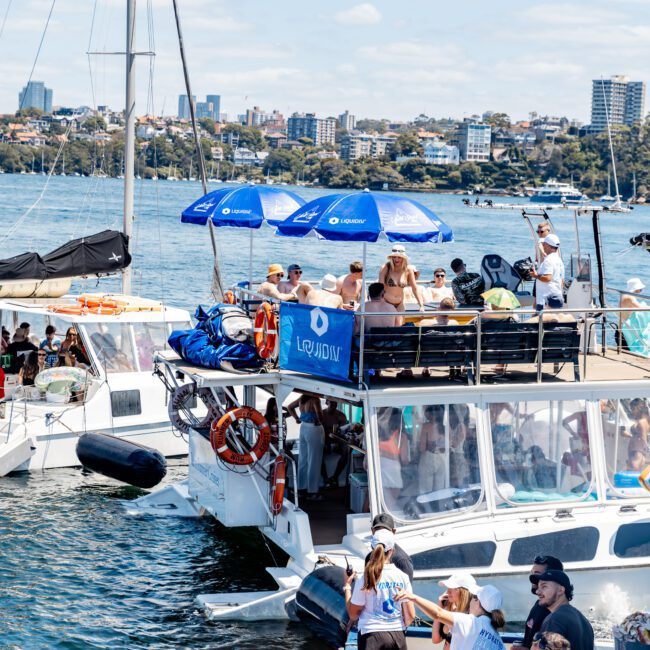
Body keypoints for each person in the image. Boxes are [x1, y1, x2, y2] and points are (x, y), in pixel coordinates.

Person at [344, 528, 415, 650]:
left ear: (372, 549)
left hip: (371, 637)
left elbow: (353, 615)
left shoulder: (364, 577)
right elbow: (410, 616)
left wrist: (347, 587)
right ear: (392, 551)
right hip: (397, 636)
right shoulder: (402, 577)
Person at [394, 583, 506, 650]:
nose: (470, 600)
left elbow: (438, 613)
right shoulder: (498, 640)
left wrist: (412, 597)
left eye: (473, 597)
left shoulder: (471, 623)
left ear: (477, 601)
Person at [511, 555, 564, 650]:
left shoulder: (554, 615)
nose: (532, 578)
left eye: (537, 574)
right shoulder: (540, 605)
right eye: (531, 573)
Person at [534, 570, 594, 650]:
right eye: (538, 587)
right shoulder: (582, 619)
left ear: (561, 590)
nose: (537, 591)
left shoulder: (554, 619)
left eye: (544, 586)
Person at [287, 394, 324, 500]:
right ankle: (312, 492)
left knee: (303, 460)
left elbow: (290, 407)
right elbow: (320, 415)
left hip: (303, 427)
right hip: (314, 428)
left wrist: (297, 419)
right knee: (314, 461)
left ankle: (301, 489)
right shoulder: (315, 400)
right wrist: (319, 420)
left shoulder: (302, 399)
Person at [432, 573, 477, 648]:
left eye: (453, 588)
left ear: (464, 592)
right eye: (448, 588)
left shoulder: (472, 616)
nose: (448, 592)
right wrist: (439, 607)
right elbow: (436, 639)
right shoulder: (452, 611)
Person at [364, 513, 414, 581]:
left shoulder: (402, 561)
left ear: (393, 532)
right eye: (378, 530)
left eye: (385, 531)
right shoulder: (369, 558)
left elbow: (407, 590)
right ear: (372, 531)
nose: (381, 534)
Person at [378, 244, 424, 312]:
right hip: (386, 302)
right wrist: (381, 303)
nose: (396, 259)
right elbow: (380, 287)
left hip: (400, 304)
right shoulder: (385, 267)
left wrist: (421, 305)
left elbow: (414, 288)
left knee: (400, 323)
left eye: (399, 257)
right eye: (394, 257)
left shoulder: (408, 269)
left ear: (404, 258)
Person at [417, 405, 446, 495]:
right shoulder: (445, 427)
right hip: (442, 458)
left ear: (430, 414)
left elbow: (422, 448)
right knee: (440, 487)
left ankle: (428, 507)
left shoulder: (426, 427)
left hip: (428, 458)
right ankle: (439, 507)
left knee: (425, 490)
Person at [530, 235, 564, 311]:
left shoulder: (549, 260)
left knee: (543, 321)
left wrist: (535, 275)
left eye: (544, 244)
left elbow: (548, 278)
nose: (543, 246)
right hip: (556, 295)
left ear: (548, 245)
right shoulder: (558, 260)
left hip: (547, 299)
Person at [320, 399, 349, 488]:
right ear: (326, 403)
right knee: (318, 454)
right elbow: (319, 432)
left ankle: (335, 477)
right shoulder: (321, 415)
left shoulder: (341, 416)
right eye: (331, 403)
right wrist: (325, 443)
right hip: (324, 441)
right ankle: (325, 479)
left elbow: (344, 432)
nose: (334, 405)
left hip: (337, 441)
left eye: (335, 403)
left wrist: (338, 442)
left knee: (346, 451)